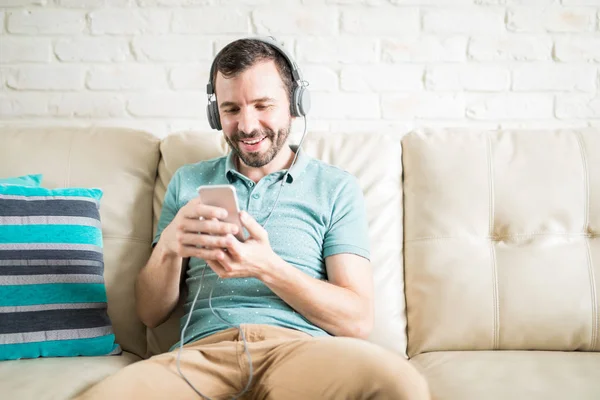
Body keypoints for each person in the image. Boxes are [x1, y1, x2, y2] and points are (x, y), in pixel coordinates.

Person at [75, 37, 430, 400]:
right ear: (216, 115)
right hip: (202, 354)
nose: (246, 126)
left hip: (298, 352)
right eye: (231, 109)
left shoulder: (335, 187)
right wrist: (169, 247)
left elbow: (357, 320)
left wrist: (268, 267)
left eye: (263, 105)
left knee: (400, 385)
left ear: (294, 106)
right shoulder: (188, 181)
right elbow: (150, 314)